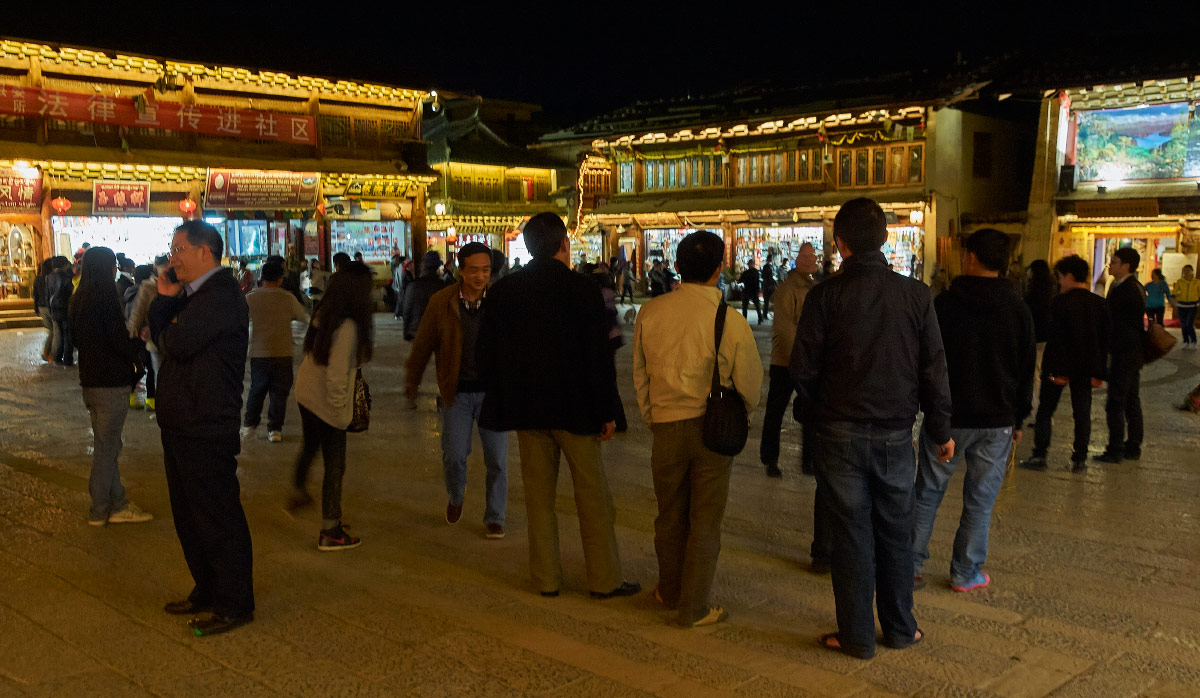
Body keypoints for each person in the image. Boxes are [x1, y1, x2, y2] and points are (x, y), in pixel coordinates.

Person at [789, 197, 953, 660]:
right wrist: (940, 430)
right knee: (896, 532)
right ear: (885, 239)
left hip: (838, 433)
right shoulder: (916, 295)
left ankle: (857, 635)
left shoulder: (824, 296)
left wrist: (814, 413)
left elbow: (802, 369)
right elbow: (933, 369)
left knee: (851, 534)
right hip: (895, 436)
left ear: (840, 244)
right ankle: (901, 627)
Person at [480, 212, 639, 600]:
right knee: (593, 498)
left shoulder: (504, 291)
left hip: (528, 411)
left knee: (538, 500)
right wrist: (608, 412)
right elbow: (598, 358)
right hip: (577, 410)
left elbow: (485, 353)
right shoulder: (583, 290)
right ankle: (603, 580)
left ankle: (546, 579)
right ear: (564, 244)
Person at [633, 230, 762, 627]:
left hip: (666, 429)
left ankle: (669, 591)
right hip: (711, 432)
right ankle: (695, 607)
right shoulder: (731, 319)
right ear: (720, 269)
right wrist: (742, 419)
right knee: (705, 520)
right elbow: (750, 383)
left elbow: (640, 375)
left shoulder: (650, 313)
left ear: (676, 267)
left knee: (669, 515)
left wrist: (653, 417)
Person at [911, 229, 1035, 594]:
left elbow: (927, 362)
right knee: (980, 500)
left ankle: (910, 564)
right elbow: (1026, 369)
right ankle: (965, 572)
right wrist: (1019, 419)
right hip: (996, 421)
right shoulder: (1018, 310)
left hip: (947, 418)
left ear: (971, 258)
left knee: (927, 492)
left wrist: (929, 410)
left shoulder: (946, 305)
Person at [148, 220, 253, 637]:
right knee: (188, 515)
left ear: (204, 253)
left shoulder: (221, 296)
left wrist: (163, 308)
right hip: (182, 421)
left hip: (206, 423)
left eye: (179, 250)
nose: (172, 258)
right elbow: (169, 339)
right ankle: (207, 589)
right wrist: (170, 308)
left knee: (217, 516)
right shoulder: (194, 296)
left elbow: (174, 343)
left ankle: (234, 603)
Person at [405, 243, 508, 539]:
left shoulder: (500, 301)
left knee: (497, 460)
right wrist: (413, 378)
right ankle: (456, 497)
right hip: (456, 392)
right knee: (453, 455)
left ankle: (495, 517)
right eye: (474, 270)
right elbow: (423, 343)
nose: (480, 276)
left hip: (492, 393)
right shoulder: (442, 301)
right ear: (459, 270)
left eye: (486, 270)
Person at [288, 262, 375, 551]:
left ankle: (298, 490)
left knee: (311, 445)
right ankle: (330, 530)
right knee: (335, 466)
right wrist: (340, 414)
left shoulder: (325, 313)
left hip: (306, 394)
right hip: (325, 402)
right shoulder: (348, 326)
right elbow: (337, 376)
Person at [70, 246, 154, 527]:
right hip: (110, 384)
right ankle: (100, 508)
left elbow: (79, 341)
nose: (116, 270)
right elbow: (118, 342)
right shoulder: (104, 298)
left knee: (108, 445)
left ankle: (117, 502)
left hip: (91, 383)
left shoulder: (78, 298)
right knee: (107, 450)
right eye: (113, 266)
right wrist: (139, 341)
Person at [1019, 255, 1109, 472]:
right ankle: (1080, 458)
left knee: (1046, 411)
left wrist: (1055, 370)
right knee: (1082, 412)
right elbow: (1104, 341)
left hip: (1060, 366)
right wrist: (1100, 372)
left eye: (1060, 277)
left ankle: (1040, 455)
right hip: (1086, 368)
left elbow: (1057, 340)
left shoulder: (1060, 302)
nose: (1059, 282)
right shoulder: (1099, 303)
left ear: (1068, 276)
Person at [241, 260, 310, 442]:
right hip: (283, 352)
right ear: (280, 279)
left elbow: (240, 323)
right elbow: (304, 320)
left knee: (257, 390)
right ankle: (275, 430)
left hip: (259, 352)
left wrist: (247, 343)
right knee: (279, 393)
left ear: (261, 277)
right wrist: (295, 340)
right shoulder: (288, 298)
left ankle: (249, 426)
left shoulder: (251, 298)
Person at [1095, 248, 1145, 465]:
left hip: (1124, 353)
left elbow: (1115, 323)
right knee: (1131, 400)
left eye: (1114, 262)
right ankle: (1132, 445)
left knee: (1117, 401)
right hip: (1131, 353)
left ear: (1126, 266)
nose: (1110, 265)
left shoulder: (1127, 290)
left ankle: (1116, 448)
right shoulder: (1130, 287)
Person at [124, 264, 158, 410]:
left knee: (141, 367)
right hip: (143, 335)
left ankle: (132, 396)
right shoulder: (146, 290)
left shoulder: (128, 291)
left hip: (133, 334)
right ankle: (151, 399)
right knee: (149, 368)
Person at [403, 251, 449, 342]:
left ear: (423, 265)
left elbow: (407, 310)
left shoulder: (414, 285)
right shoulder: (442, 286)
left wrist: (406, 331)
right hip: (437, 332)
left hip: (417, 330)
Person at [48, 256, 75, 367]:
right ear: (64, 264)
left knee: (58, 334)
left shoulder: (49, 277)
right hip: (65, 308)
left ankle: (57, 357)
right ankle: (68, 359)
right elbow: (71, 292)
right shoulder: (66, 277)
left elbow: (47, 294)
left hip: (54, 308)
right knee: (67, 335)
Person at [33, 258, 54, 362]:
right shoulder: (50, 278)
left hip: (41, 307)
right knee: (53, 331)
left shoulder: (38, 279)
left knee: (52, 330)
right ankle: (47, 353)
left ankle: (49, 353)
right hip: (49, 307)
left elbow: (35, 296)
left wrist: (36, 309)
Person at [1173, 265, 1198, 349]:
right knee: (1183, 324)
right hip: (1181, 306)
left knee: (1189, 324)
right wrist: (1174, 301)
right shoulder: (1179, 282)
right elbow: (1174, 293)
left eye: (1188, 270)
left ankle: (1193, 341)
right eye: (1184, 271)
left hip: (1192, 306)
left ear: (1192, 271)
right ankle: (1185, 341)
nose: (1186, 272)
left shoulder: (1197, 282)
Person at [738, 259, 764, 324]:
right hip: (754, 290)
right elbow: (758, 282)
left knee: (745, 306)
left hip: (747, 290)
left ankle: (744, 319)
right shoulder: (756, 272)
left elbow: (740, 280)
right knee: (756, 305)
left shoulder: (746, 273)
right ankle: (760, 318)